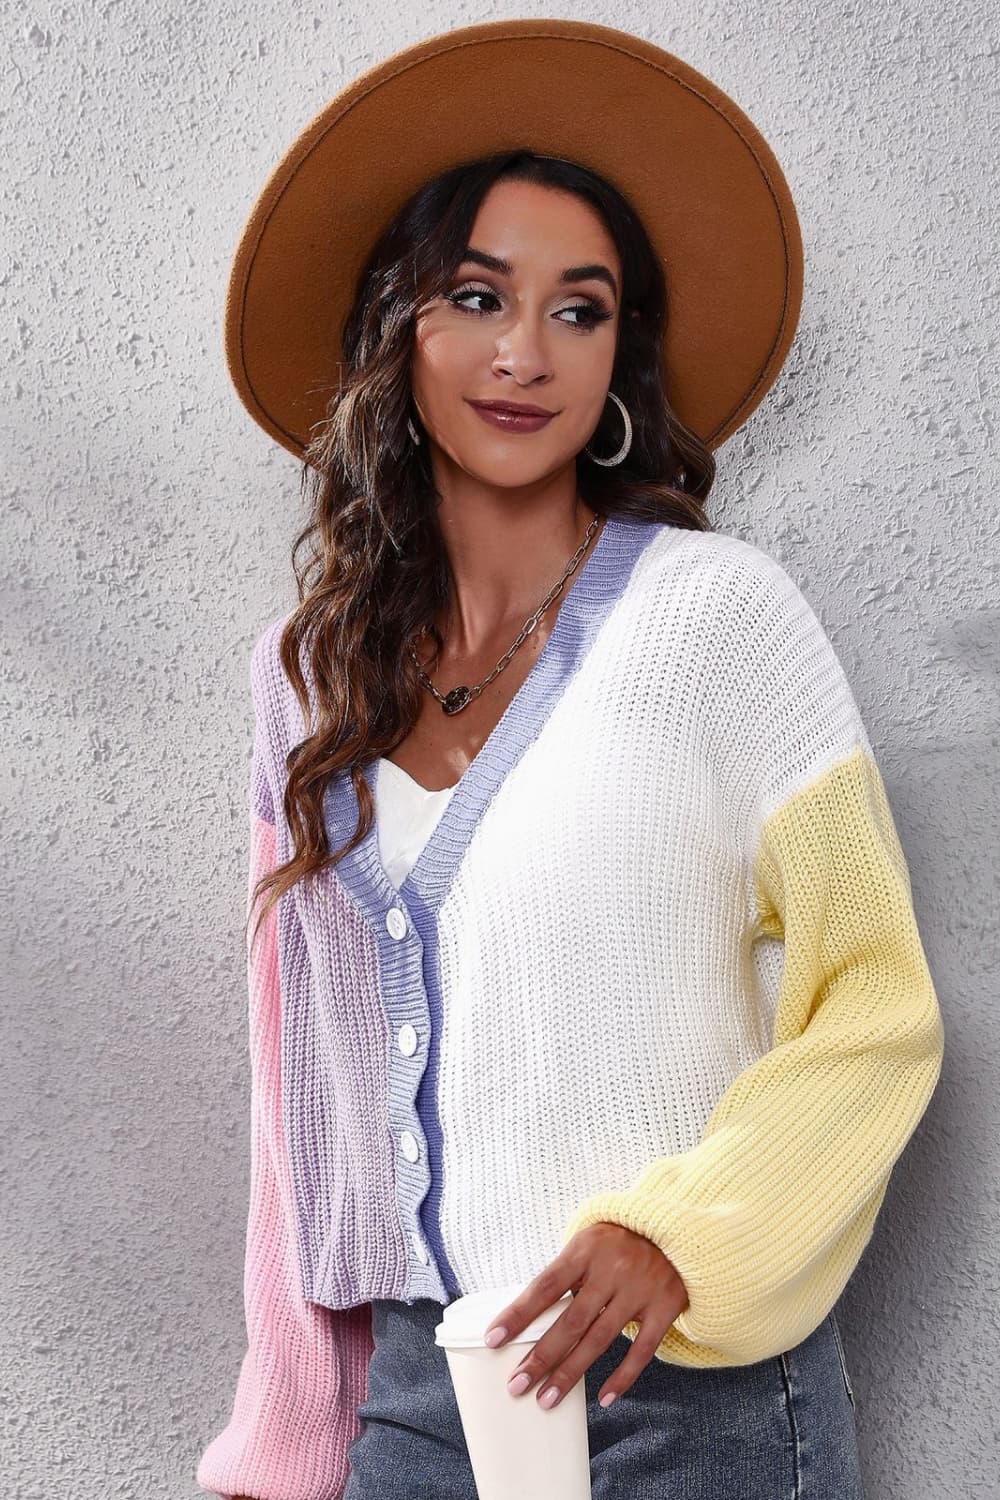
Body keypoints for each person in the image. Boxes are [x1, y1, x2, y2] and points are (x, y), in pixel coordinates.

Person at [195, 20, 944, 1500]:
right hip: (422, 1402)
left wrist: (686, 1234)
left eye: (579, 311)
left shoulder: (718, 618)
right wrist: (289, 1439)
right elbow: (303, 1100)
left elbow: (877, 1007)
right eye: (477, 296)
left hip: (689, 1398)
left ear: (620, 358)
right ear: (397, 328)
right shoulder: (308, 678)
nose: (525, 353)